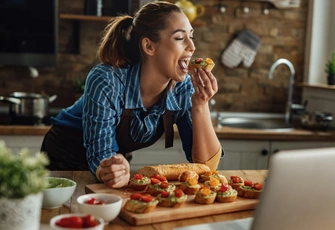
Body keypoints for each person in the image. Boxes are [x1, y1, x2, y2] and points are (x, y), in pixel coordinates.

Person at [41, 1, 224, 189]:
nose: (192, 46)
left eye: (191, 37)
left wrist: (201, 105)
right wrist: (112, 169)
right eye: (180, 38)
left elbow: (206, 167)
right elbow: (100, 153)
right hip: (63, 162)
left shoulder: (183, 88)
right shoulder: (107, 80)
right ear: (149, 46)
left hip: (111, 162)